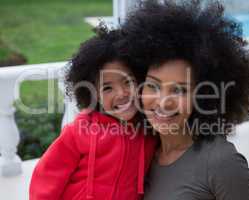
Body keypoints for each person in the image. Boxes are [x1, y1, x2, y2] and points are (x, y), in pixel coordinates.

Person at [121, 0, 249, 199]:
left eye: (179, 90)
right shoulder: (140, 151)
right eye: (153, 85)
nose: (163, 102)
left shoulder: (221, 162)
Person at [29, 24, 156, 200]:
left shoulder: (149, 130)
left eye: (128, 82)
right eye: (107, 88)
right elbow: (47, 177)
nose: (121, 94)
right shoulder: (80, 131)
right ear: (93, 94)